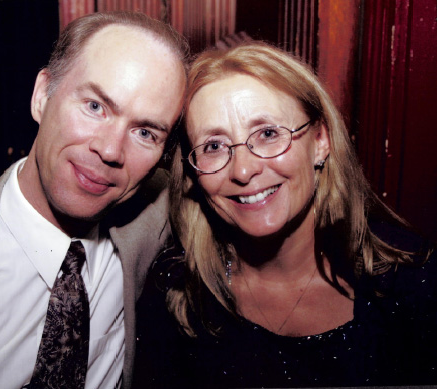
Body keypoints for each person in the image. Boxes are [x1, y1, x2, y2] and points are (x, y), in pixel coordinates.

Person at [133, 41, 437, 388]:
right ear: (193, 171)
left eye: (267, 134)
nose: (244, 171)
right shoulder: (175, 294)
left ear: (320, 140)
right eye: (214, 146)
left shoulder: (412, 279)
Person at [0, 11, 187, 389]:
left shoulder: (155, 216)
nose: (109, 150)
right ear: (42, 96)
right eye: (95, 106)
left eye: (145, 132)